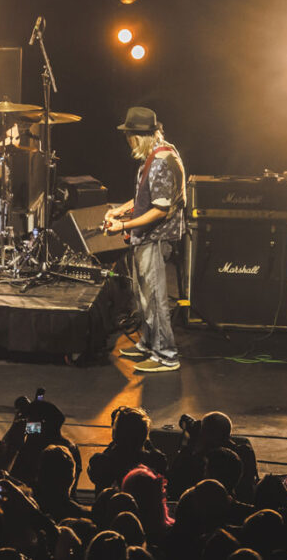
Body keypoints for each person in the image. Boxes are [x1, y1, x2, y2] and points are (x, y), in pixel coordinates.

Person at [103, 106, 185, 373]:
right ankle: (149, 344)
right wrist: (120, 209)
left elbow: (160, 209)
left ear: (138, 137)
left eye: (129, 137)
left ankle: (166, 354)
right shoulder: (157, 153)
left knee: (155, 297)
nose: (128, 142)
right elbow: (144, 197)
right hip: (146, 238)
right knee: (144, 296)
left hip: (156, 238)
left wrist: (123, 225)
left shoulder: (161, 161)